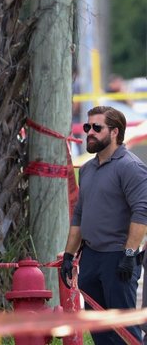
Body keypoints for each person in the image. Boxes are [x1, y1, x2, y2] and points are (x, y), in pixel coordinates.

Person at [60, 105, 147, 344]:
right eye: (88, 127)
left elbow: (142, 212)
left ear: (115, 132)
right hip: (91, 258)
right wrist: (68, 255)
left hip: (117, 258)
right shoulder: (87, 169)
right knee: (99, 332)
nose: (89, 132)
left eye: (97, 128)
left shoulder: (131, 167)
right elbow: (79, 214)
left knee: (124, 333)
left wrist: (129, 254)